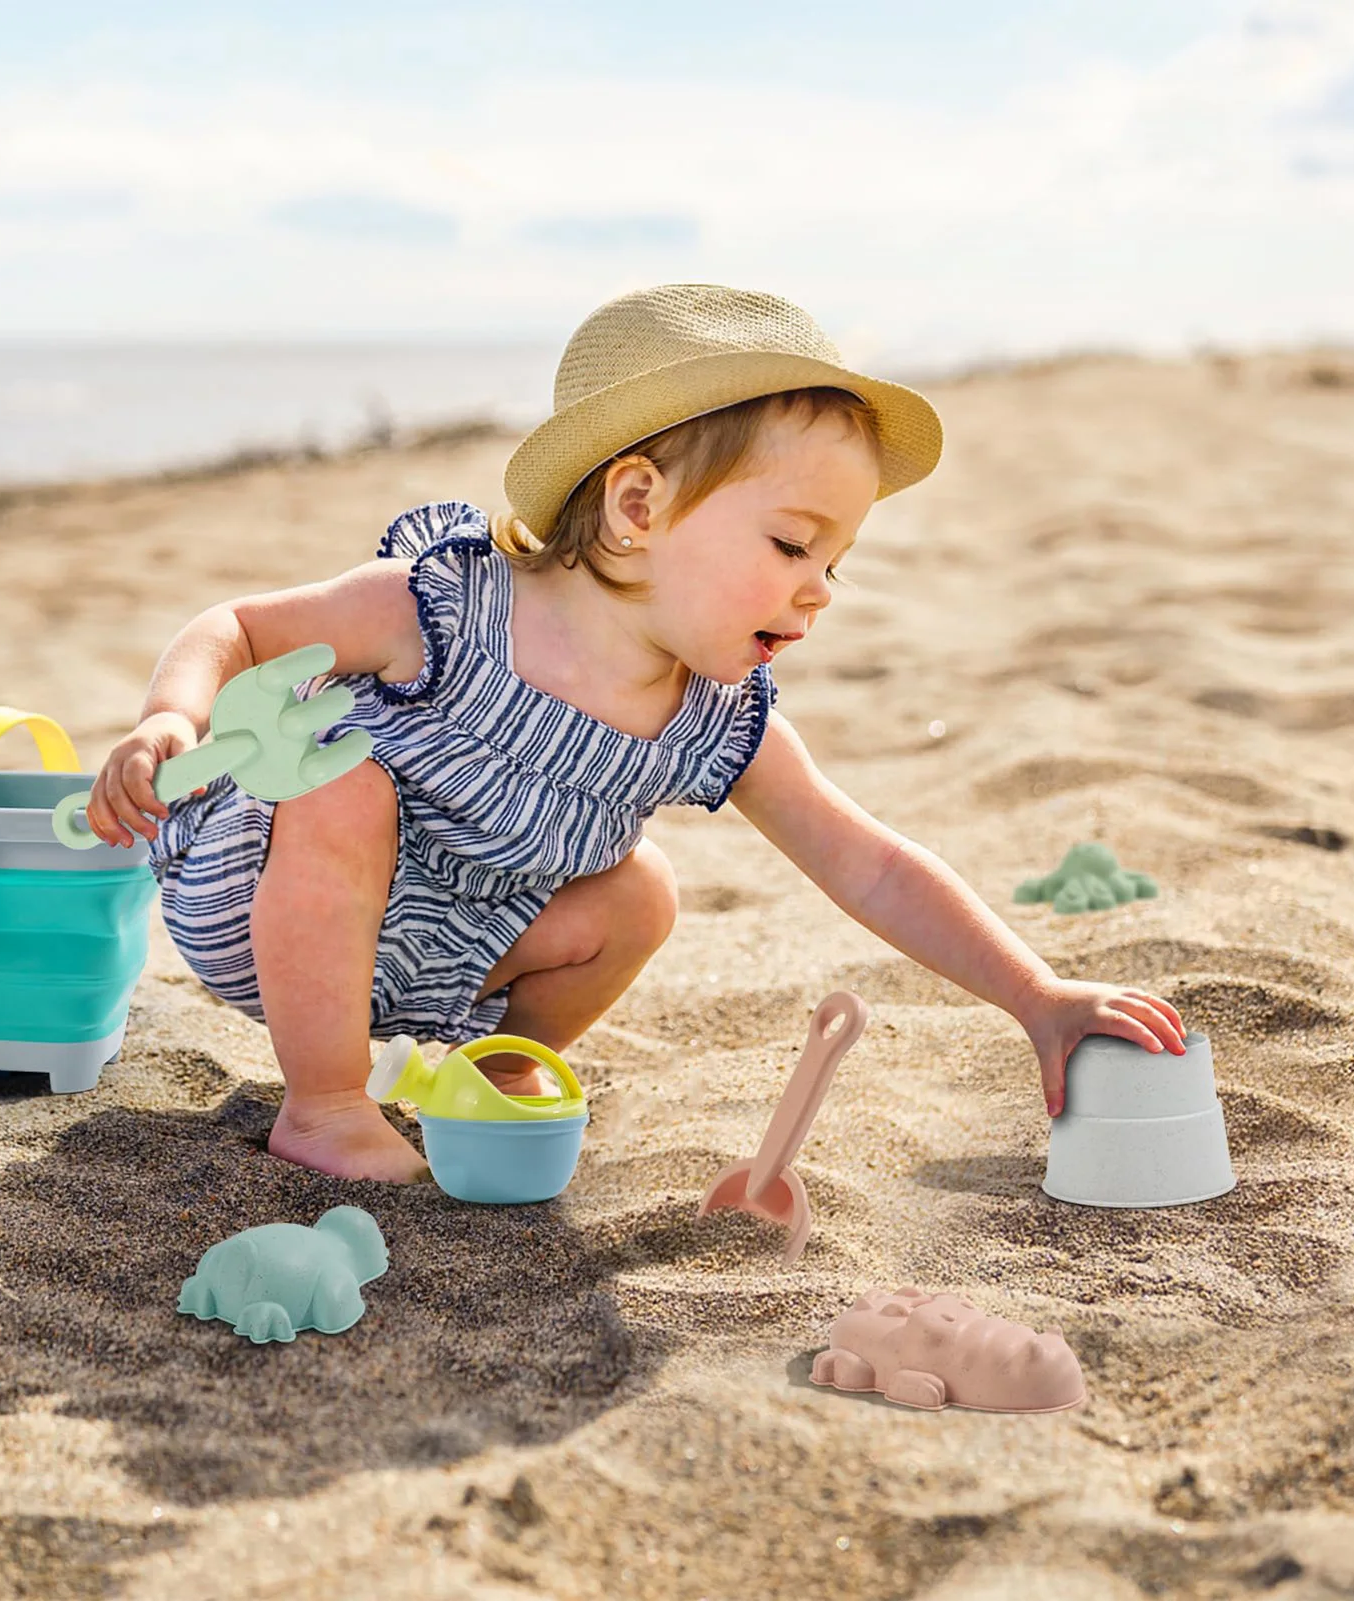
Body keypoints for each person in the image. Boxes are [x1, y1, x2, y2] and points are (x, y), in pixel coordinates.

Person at [86, 283, 1187, 1182]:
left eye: (833, 562)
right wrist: (170, 717)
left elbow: (873, 863)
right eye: (791, 544)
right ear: (636, 507)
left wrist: (1035, 996)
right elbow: (235, 625)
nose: (817, 593)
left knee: (640, 891)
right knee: (350, 778)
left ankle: (498, 1067)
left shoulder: (715, 718)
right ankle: (322, 1103)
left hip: (450, 957)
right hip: (265, 899)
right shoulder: (442, 605)